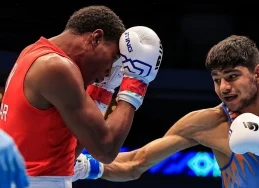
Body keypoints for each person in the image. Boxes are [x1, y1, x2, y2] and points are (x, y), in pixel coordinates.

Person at [73, 35, 259, 187]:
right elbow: (135, 163)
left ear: (258, 73)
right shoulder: (208, 123)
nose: (224, 87)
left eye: (232, 76)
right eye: (217, 80)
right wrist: (84, 167)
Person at [0, 5, 163, 188]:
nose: (108, 72)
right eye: (112, 58)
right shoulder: (56, 68)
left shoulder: (32, 52)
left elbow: (73, 147)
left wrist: (104, 90)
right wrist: (136, 81)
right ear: (96, 38)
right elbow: (106, 150)